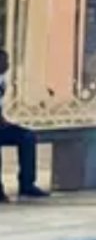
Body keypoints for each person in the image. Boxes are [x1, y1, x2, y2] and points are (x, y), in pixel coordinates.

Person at [0, 48, 51, 202]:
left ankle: (27, 184)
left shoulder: (3, 80)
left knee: (27, 137)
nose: (8, 64)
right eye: (4, 61)